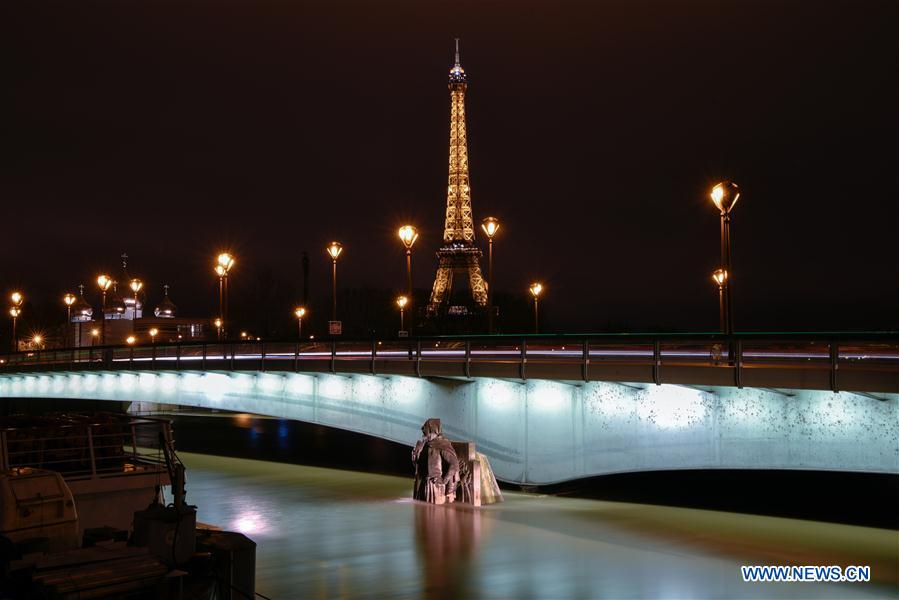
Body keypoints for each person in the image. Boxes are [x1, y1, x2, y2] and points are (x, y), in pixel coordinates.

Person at [412, 418, 460, 504]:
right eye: (425, 434)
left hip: (436, 486)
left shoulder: (442, 445)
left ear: (434, 431)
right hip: (424, 484)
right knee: (423, 513)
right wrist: (415, 455)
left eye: (427, 433)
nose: (425, 436)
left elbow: (454, 464)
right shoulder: (426, 445)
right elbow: (418, 466)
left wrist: (444, 480)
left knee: (435, 513)